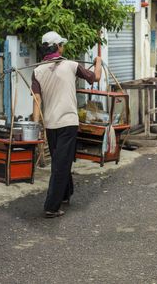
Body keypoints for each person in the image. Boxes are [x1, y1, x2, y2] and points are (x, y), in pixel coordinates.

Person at [32, 31, 101, 218]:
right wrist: (98, 62)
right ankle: (51, 207)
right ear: (58, 47)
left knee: (60, 160)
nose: (63, 47)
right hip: (68, 122)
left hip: (50, 123)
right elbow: (95, 78)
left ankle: (65, 194)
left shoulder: (37, 71)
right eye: (62, 44)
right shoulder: (71, 65)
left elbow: (37, 99)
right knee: (61, 164)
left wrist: (36, 124)